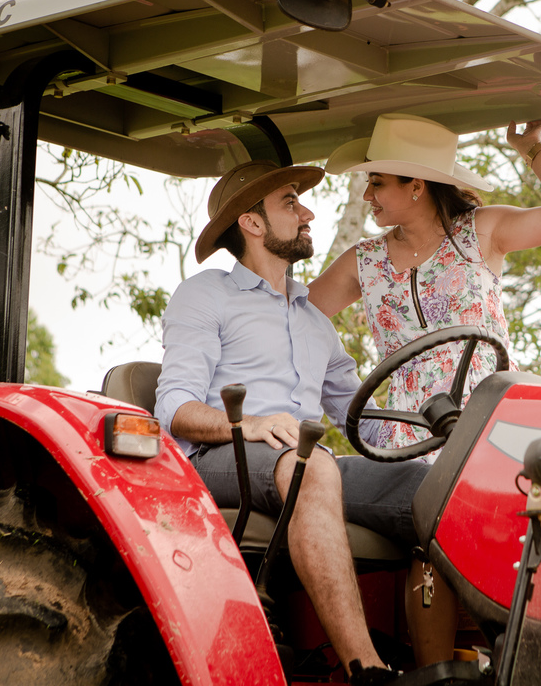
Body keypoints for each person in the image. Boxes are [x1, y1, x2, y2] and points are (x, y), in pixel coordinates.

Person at [153, 160, 453, 683]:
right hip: (221, 461)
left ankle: (447, 667)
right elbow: (173, 410)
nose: (308, 212)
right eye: (291, 202)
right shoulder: (206, 296)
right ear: (251, 223)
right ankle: (369, 670)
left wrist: (435, 441)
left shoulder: (314, 320)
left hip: (301, 461)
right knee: (310, 468)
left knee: (438, 491)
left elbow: (362, 418)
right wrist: (245, 424)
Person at [308, 113, 541, 453]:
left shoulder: (480, 230)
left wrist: (532, 147)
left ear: (415, 185)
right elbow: (295, 316)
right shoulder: (365, 260)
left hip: (492, 412)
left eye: (377, 182)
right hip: (407, 430)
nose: (368, 194)